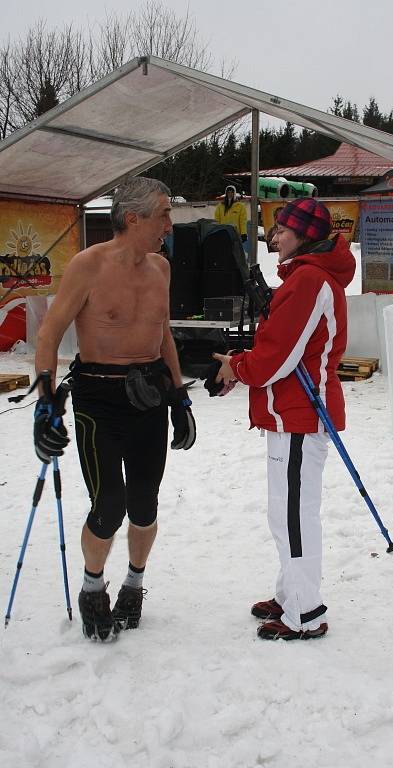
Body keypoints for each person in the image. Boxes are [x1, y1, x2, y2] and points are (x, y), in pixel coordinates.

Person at [34, 176, 196, 642]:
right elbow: (48, 335)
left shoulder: (161, 268)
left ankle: (134, 582)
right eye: (163, 213)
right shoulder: (88, 265)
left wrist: (179, 395)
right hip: (97, 401)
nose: (169, 222)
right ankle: (91, 585)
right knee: (108, 505)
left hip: (149, 396)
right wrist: (45, 405)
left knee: (144, 504)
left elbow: (162, 333)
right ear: (133, 218)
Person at [213, 198, 355, 641]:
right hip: (290, 411)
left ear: (305, 236)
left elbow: (277, 355)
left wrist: (236, 367)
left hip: (300, 413)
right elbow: (283, 345)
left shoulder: (310, 280)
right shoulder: (304, 278)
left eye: (282, 231)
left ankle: (305, 613)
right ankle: (290, 593)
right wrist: (244, 361)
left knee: (293, 515)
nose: (273, 238)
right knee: (286, 512)